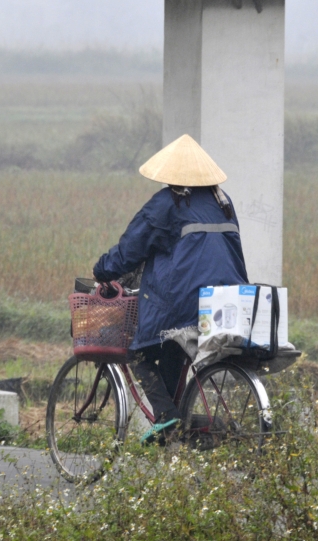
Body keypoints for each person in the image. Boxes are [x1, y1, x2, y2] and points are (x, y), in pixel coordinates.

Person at [93, 134, 248, 443]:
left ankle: (167, 417)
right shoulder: (222, 201)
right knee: (173, 350)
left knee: (137, 352)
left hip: (183, 300)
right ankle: (177, 432)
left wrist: (102, 270)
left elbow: (129, 250)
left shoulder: (166, 203)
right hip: (228, 299)